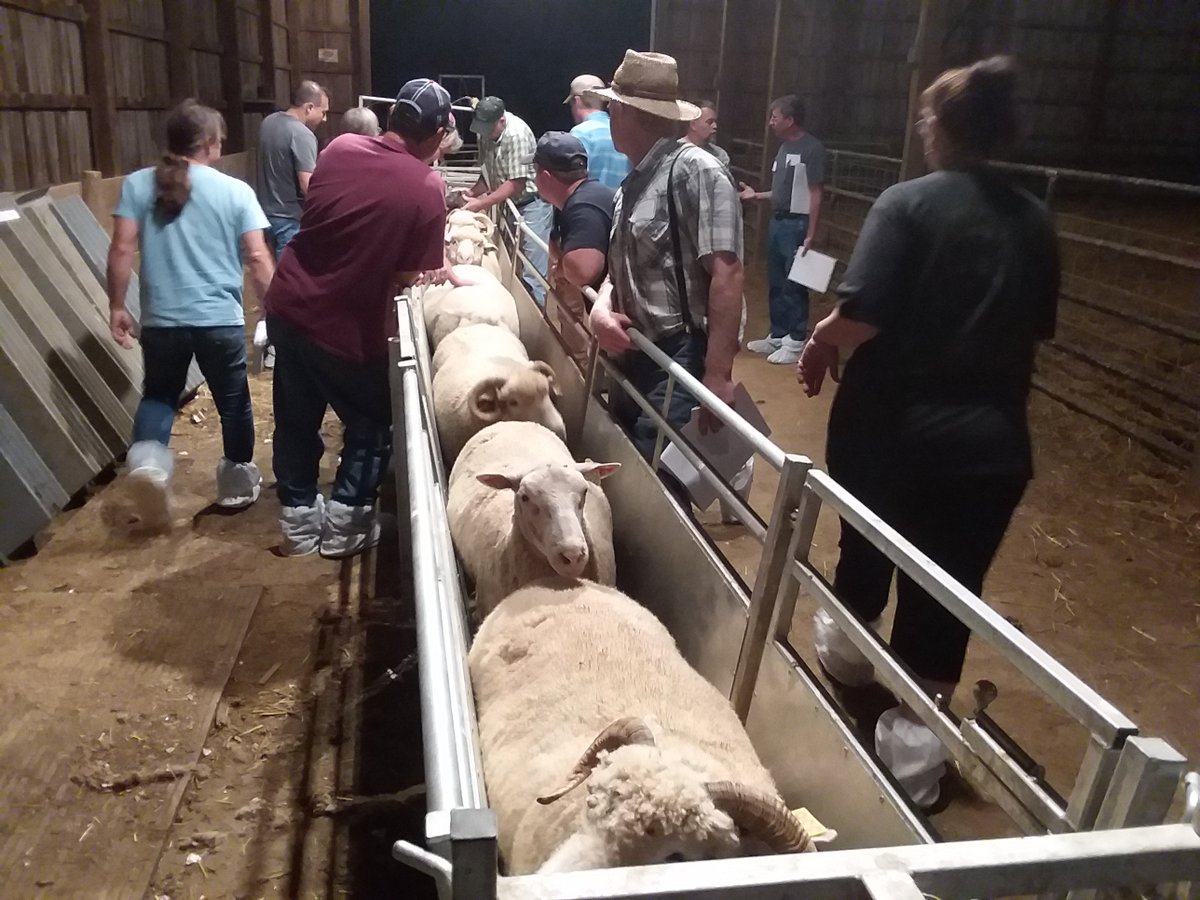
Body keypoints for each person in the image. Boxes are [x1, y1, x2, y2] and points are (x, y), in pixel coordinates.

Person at [796, 56, 1059, 808]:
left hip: (894, 432)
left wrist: (820, 339)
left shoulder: (907, 204)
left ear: (942, 127)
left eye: (924, 119)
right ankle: (915, 765)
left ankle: (845, 659)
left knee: (867, 546)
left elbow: (864, 313)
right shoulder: (1033, 217)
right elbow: (1034, 324)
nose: (920, 130)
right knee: (948, 593)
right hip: (993, 443)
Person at [264, 78, 461, 559]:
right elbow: (409, 271)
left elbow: (324, 210)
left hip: (290, 305)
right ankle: (346, 523)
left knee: (295, 416)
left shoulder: (339, 147)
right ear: (436, 136)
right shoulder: (427, 186)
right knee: (371, 424)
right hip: (348, 324)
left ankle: (299, 523)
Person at [108, 99, 275, 528]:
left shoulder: (137, 185)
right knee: (234, 402)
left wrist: (116, 305)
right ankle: (237, 481)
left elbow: (123, 247)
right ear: (211, 143)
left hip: (162, 319)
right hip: (219, 318)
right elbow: (257, 257)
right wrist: (275, 308)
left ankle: (149, 464)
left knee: (160, 395)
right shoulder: (236, 191)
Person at [587, 50, 744, 476]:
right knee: (634, 464)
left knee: (657, 474)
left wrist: (716, 375)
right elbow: (622, 264)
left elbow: (726, 272)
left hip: (679, 352)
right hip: (638, 348)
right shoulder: (634, 181)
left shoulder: (697, 171)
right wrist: (601, 309)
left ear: (625, 112)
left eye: (612, 106)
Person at [739, 94, 826, 364]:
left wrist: (811, 233)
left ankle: (797, 338)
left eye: (775, 117)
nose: (771, 122)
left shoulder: (812, 149)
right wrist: (758, 196)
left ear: (789, 120)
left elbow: (815, 193)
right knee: (776, 279)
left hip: (796, 223)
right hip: (778, 221)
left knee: (794, 282)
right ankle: (778, 333)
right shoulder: (784, 148)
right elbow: (782, 191)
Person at [530, 131, 615, 356]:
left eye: (535, 172)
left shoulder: (583, 207)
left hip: (624, 322)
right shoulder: (579, 198)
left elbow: (582, 270)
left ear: (546, 177)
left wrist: (562, 267)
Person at [463, 96, 552, 305]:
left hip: (531, 204)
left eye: (487, 128)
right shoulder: (486, 133)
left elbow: (516, 183)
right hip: (510, 203)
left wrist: (481, 204)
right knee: (513, 260)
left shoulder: (517, 135)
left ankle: (537, 322)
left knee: (532, 267)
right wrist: (472, 192)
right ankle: (517, 306)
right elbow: (489, 173)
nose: (483, 133)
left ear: (501, 121)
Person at [257, 80, 328, 258]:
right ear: (309, 108)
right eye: (323, 112)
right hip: (289, 219)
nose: (325, 118)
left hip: (264, 215)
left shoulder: (268, 123)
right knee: (288, 279)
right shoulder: (302, 134)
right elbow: (307, 185)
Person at [566, 74, 630, 190]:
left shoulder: (580, 133)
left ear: (577, 100)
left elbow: (572, 184)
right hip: (624, 206)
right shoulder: (622, 130)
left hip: (592, 206)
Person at [684, 99, 730, 168]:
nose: (715, 126)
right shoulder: (674, 153)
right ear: (693, 125)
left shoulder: (720, 155)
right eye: (710, 122)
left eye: (715, 122)